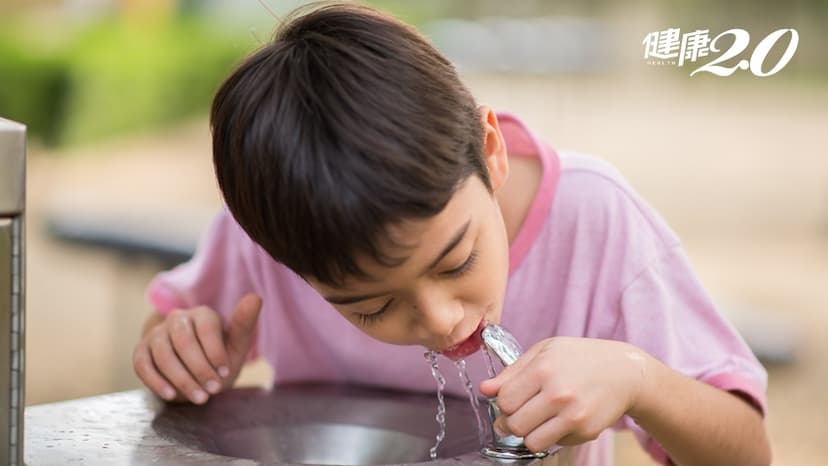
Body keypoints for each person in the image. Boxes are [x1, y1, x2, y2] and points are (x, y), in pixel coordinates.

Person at [132, 3, 771, 465]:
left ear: (490, 151)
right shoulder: (279, 230)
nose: (440, 320)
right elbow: (175, 329)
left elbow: (747, 452)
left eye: (458, 260)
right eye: (372, 305)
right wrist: (179, 350)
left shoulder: (593, 220)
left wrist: (640, 380)